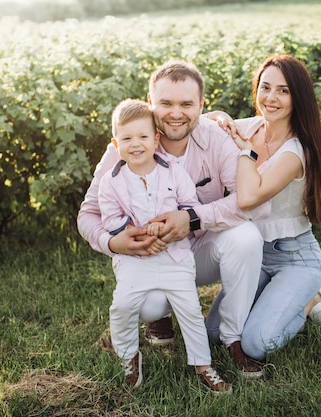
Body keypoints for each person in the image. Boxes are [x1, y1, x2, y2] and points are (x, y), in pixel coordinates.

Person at [77, 59, 268, 379]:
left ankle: (233, 337)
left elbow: (246, 202)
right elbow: (88, 213)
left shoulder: (216, 138)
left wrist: (193, 218)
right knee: (143, 306)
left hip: (200, 248)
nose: (176, 112)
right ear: (150, 103)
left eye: (186, 104)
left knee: (246, 237)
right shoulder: (127, 143)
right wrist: (112, 241)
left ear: (201, 105)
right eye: (165, 103)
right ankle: (159, 314)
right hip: (148, 254)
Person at [205, 54, 321, 362]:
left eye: (283, 90)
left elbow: (248, 197)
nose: (271, 97)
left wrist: (245, 151)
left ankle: (312, 299)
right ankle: (273, 302)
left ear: (298, 98)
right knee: (214, 334)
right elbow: (206, 123)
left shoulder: (296, 152)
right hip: (255, 255)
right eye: (265, 87)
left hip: (295, 257)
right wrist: (221, 117)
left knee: (257, 344)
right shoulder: (249, 127)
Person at [98, 98, 230, 393]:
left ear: (155, 139)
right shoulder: (111, 181)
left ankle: (203, 365)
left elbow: (189, 205)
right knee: (122, 306)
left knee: (190, 310)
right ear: (115, 143)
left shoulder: (171, 171)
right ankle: (128, 358)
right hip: (135, 260)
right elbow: (110, 219)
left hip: (175, 257)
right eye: (127, 138)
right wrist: (140, 235)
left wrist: (168, 224)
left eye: (143, 137)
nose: (136, 144)